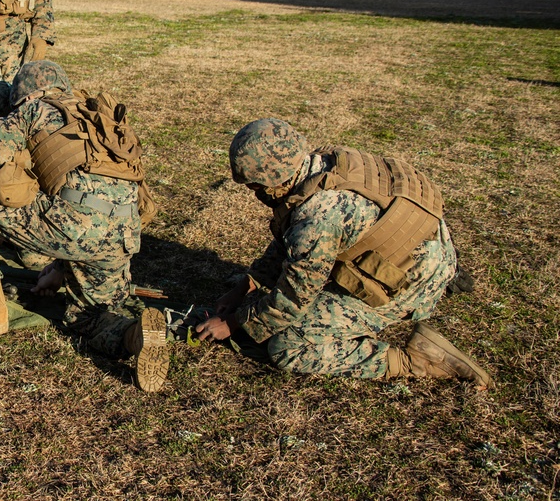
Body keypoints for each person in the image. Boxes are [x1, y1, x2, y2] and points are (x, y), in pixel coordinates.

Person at [196, 118, 493, 387]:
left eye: (255, 186)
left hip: (410, 280)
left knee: (288, 346)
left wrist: (234, 322)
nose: (256, 193)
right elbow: (290, 239)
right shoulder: (324, 165)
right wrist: (246, 285)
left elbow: (294, 298)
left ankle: (414, 361)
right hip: (424, 246)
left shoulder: (318, 217)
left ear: (272, 182)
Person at [0, 61, 168, 392]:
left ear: (22, 95)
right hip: (124, 234)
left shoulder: (31, 110)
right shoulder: (97, 115)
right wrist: (60, 267)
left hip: (72, 228)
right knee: (88, 317)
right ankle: (132, 335)